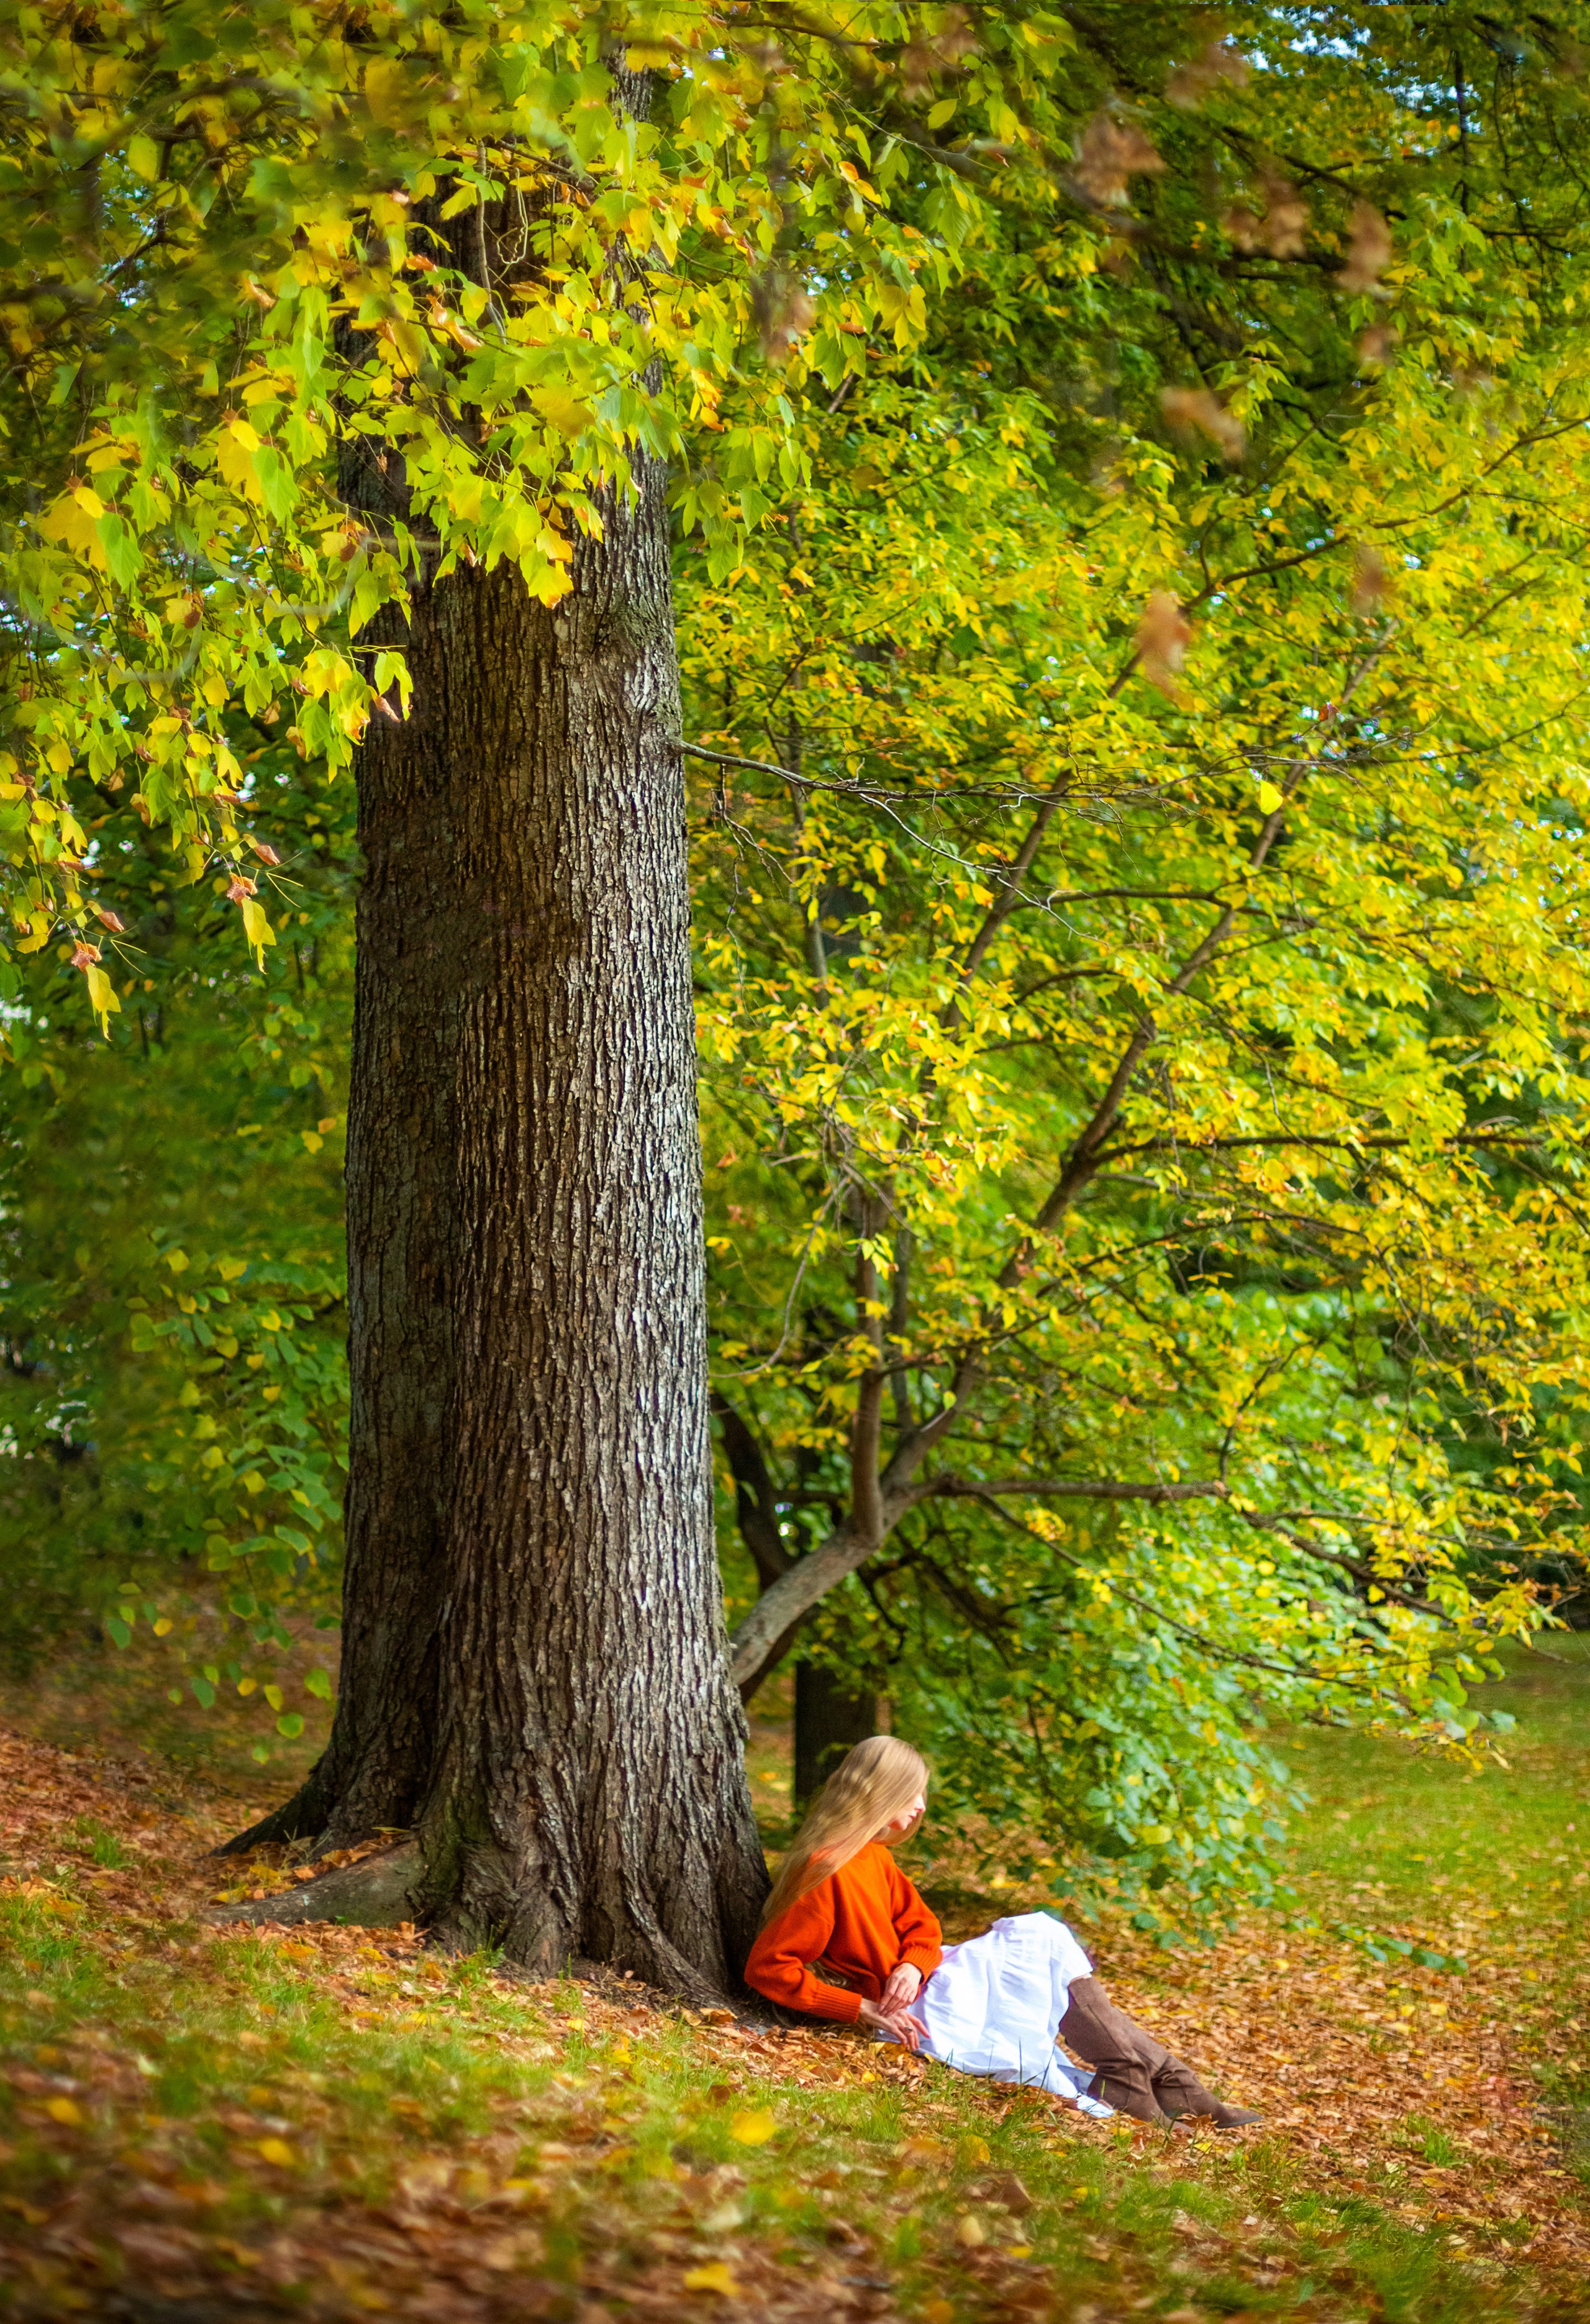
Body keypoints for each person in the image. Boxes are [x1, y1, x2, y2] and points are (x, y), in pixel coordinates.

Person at [743, 1735, 1260, 2129]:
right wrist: (861, 2008)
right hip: (921, 2009)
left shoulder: (875, 1858)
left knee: (1047, 1940)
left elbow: (922, 1927)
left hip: (928, 1977)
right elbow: (770, 1968)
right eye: (912, 1792)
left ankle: (1167, 2083)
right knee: (1041, 1935)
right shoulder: (828, 1869)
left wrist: (911, 1962)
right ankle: (1162, 2084)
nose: (921, 1805)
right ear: (880, 1792)